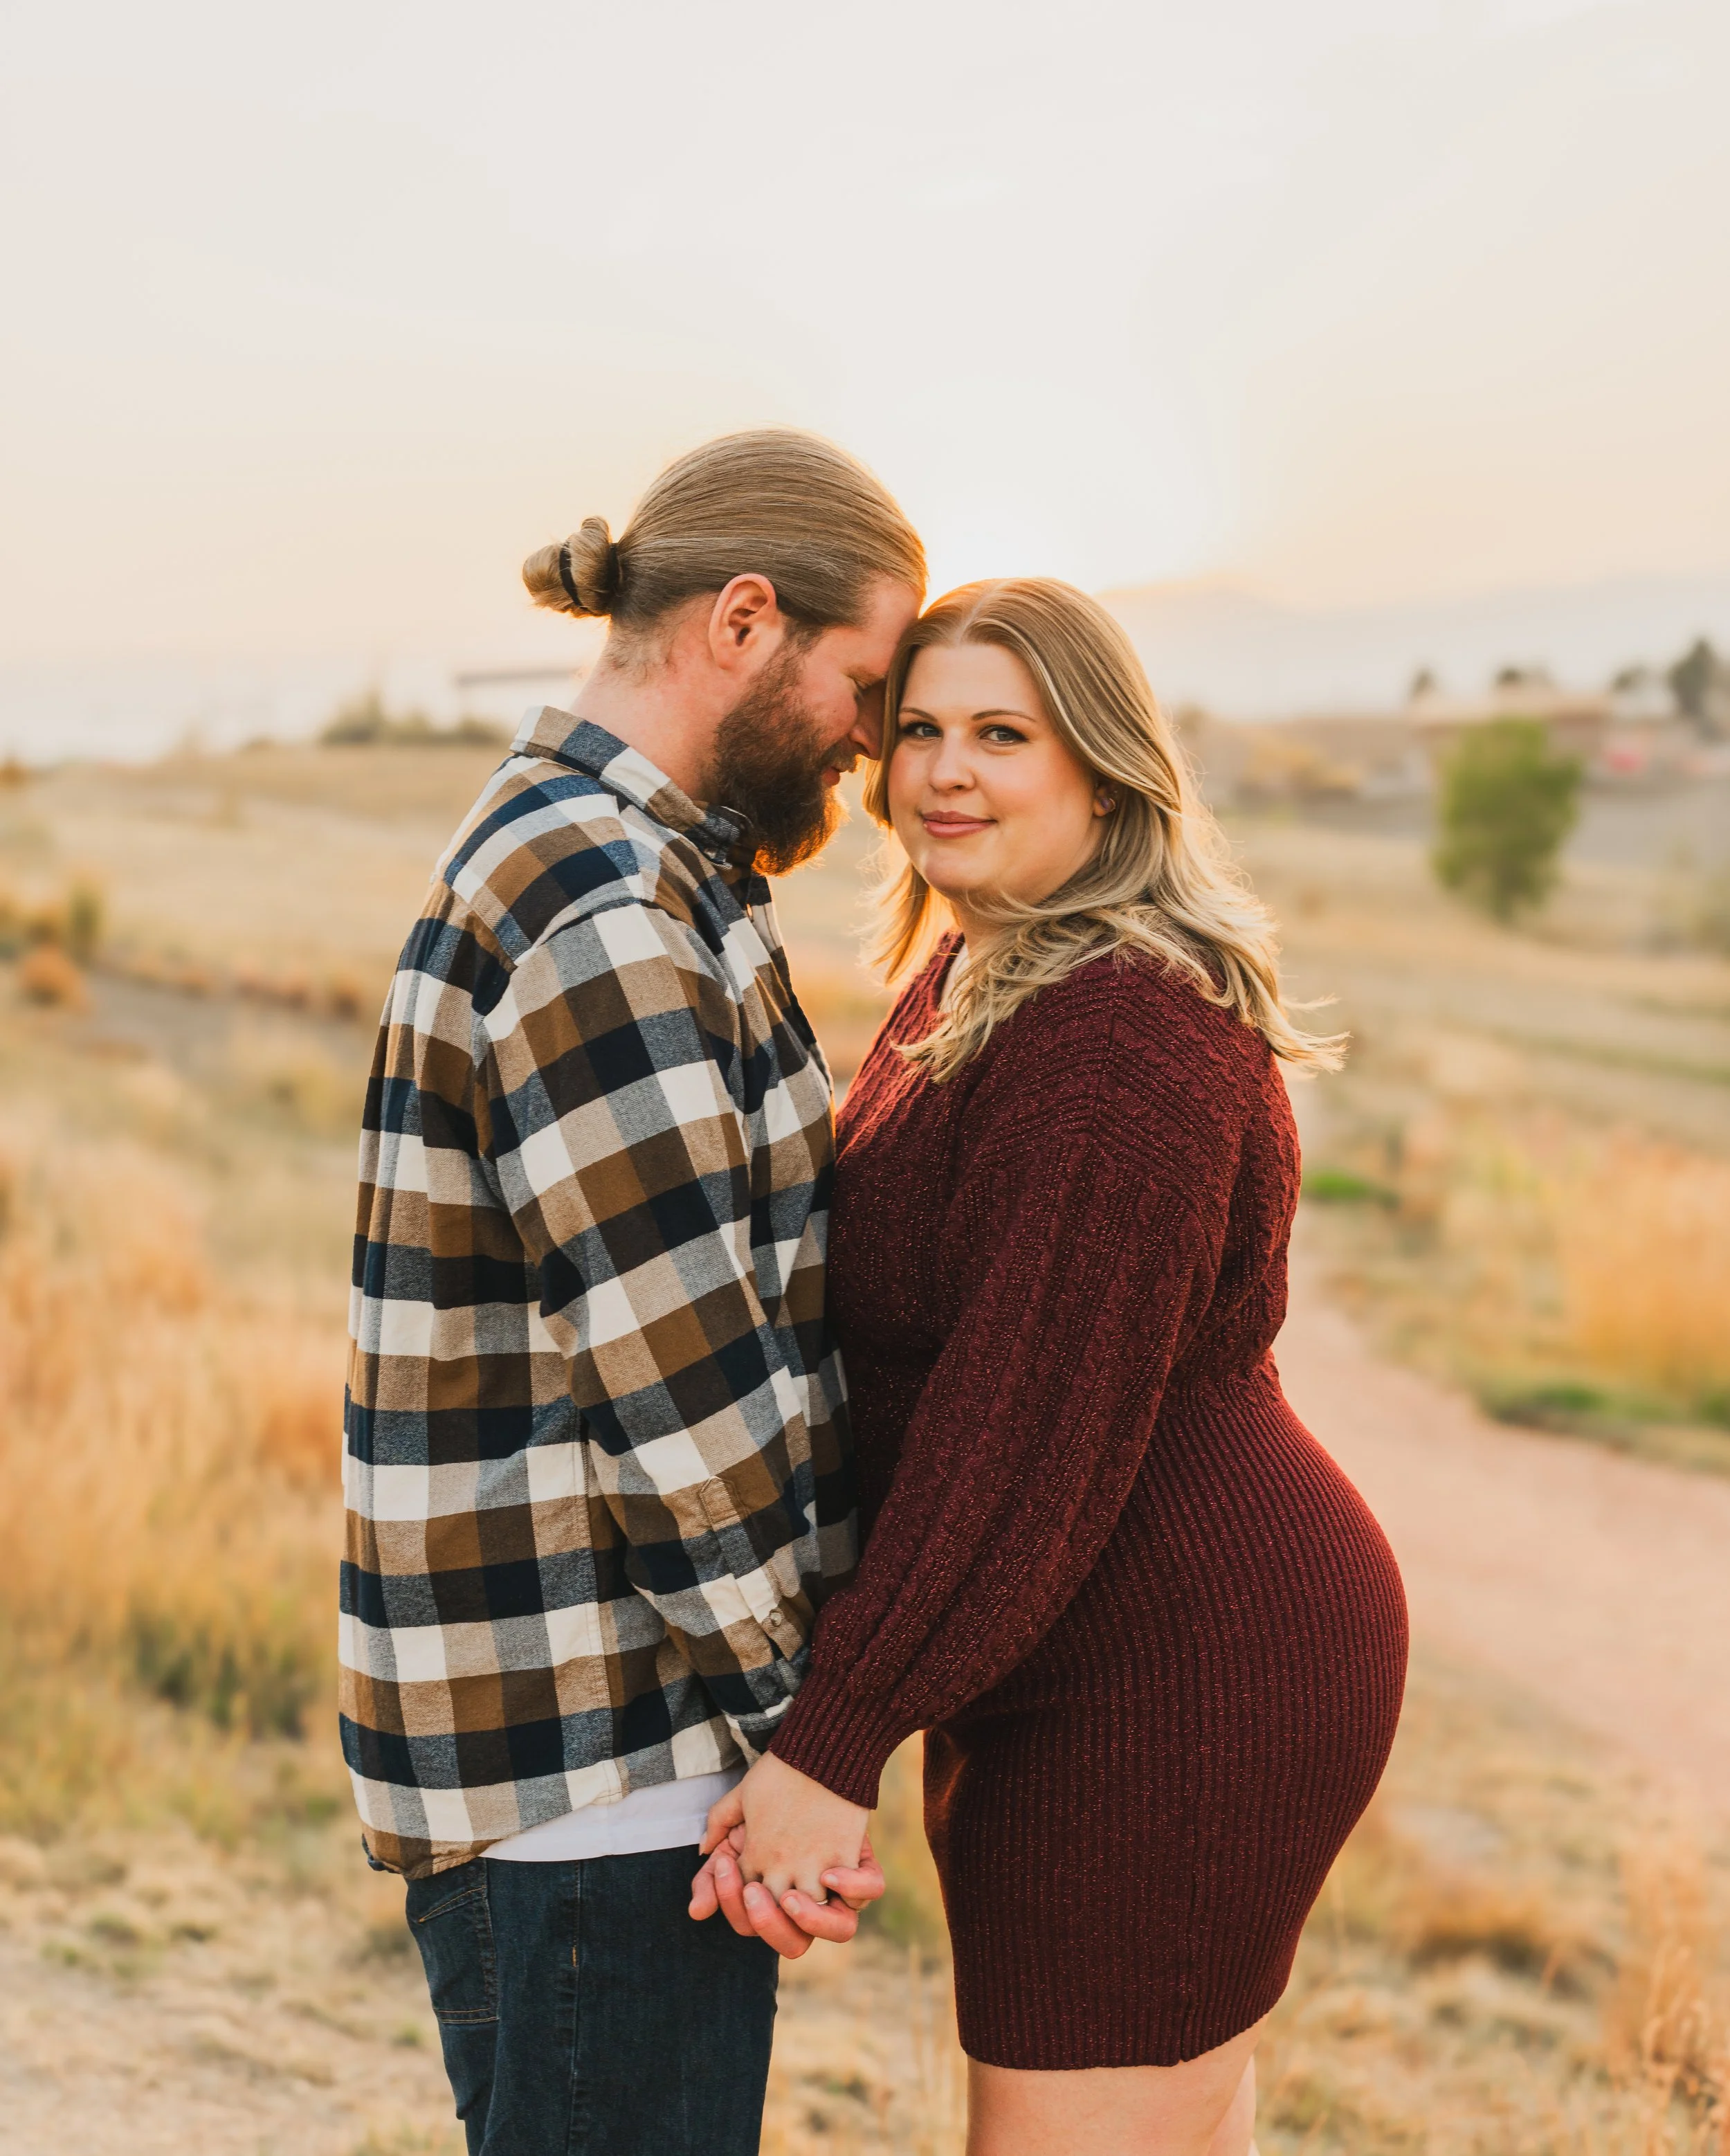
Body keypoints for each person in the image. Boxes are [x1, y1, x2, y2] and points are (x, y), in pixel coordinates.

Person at [693, 579, 1410, 2155]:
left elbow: (1018, 1434)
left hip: (1175, 1678)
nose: (943, 771)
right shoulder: (982, 971)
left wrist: (832, 1740)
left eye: (1000, 735)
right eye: (921, 731)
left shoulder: (1114, 1038)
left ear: (1099, 767)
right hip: (1068, 1643)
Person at [340, 428, 925, 2154]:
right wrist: (801, 1743)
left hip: (591, 1751)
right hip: (609, 1762)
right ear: (742, 621)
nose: (876, 745)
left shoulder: (619, 857)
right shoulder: (601, 899)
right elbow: (686, 1395)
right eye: (867, 683)